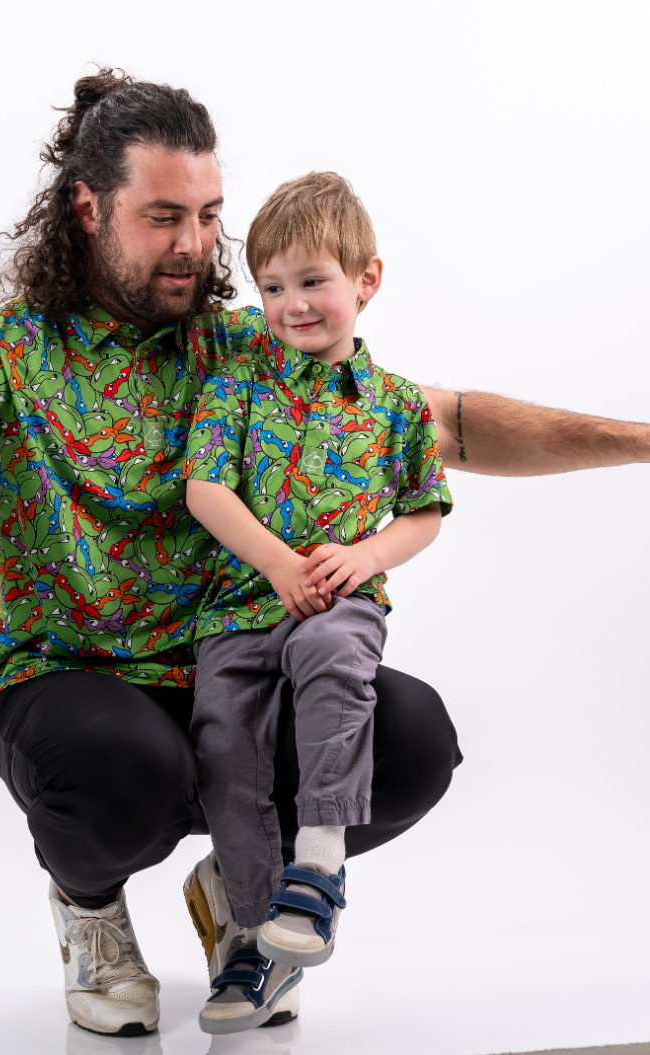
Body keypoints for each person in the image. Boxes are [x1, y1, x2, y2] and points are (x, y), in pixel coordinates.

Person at [0, 68, 648, 1039]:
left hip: (237, 663)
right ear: (87, 206)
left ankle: (245, 883)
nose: (195, 246)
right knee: (131, 767)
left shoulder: (249, 348)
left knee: (411, 735)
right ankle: (88, 909)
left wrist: (638, 437)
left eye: (209, 215)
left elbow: (447, 424)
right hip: (78, 691)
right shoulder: (1, 361)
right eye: (165, 215)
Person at [183, 171, 453, 1033]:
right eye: (272, 288)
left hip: (338, 600)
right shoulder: (238, 385)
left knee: (336, 666)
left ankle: (321, 860)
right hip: (239, 606)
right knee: (226, 744)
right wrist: (271, 563)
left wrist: (364, 554)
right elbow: (204, 490)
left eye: (311, 282)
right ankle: (261, 942)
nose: (291, 304)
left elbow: (424, 512)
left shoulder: (397, 406)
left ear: (364, 280)